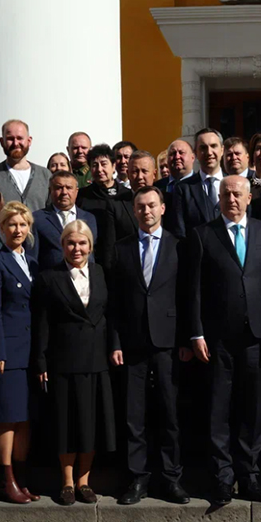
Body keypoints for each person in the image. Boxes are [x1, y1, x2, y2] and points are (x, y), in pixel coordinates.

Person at [189, 175, 261, 505]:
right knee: (218, 409)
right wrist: (196, 332)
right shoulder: (203, 234)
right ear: (218, 198)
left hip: (255, 336)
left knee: (252, 409)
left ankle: (249, 475)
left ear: (249, 197)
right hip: (217, 339)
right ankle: (222, 478)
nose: (231, 199)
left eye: (237, 194)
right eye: (225, 194)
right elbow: (193, 289)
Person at [110, 186, 189, 505]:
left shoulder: (179, 246)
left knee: (170, 412)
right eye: (140, 207)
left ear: (163, 208)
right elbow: (114, 301)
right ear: (134, 210)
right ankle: (138, 478)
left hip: (169, 341)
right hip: (133, 342)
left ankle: (171, 478)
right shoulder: (121, 248)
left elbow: (187, 298)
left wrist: (186, 339)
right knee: (135, 413)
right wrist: (115, 342)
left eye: (152, 206)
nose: (146, 211)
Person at [31, 220, 116, 505]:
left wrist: (114, 347)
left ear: (90, 247)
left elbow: (109, 314)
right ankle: (67, 481)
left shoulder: (102, 273)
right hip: (63, 359)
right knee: (65, 422)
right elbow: (41, 323)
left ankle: (84, 481)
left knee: (90, 422)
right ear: (62, 245)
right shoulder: (48, 277)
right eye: (70, 243)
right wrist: (40, 360)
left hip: (95, 358)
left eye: (81, 243)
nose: (76, 248)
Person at [0, 202, 40, 505]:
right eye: (11, 225)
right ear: (1, 228)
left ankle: (21, 476)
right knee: (8, 418)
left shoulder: (33, 263)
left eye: (22, 225)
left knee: (26, 418)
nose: (17, 230)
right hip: (9, 352)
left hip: (32, 353)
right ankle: (6, 480)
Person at [32, 171, 98, 271]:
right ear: (50, 191)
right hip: (51, 281)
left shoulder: (89, 219)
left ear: (76, 191)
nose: (64, 192)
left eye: (69, 188)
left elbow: (91, 254)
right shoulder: (37, 219)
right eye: (59, 188)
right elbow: (32, 256)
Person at [0, 119, 51, 212]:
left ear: (29, 141)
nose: (15, 143)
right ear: (2, 142)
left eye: (20, 138)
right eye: (10, 139)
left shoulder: (45, 175)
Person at [168, 128, 226, 239]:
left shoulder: (236, 184)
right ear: (196, 153)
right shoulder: (183, 188)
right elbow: (179, 231)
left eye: (213, 146)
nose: (209, 152)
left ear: (222, 150)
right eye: (203, 148)